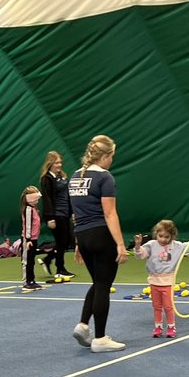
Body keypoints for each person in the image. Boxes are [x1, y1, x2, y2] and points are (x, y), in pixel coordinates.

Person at [69, 135, 128, 352]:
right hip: (101, 235)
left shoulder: (75, 177)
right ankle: (101, 338)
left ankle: (83, 325)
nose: (112, 160)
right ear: (105, 156)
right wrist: (120, 244)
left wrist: (77, 242)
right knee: (103, 285)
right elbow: (109, 213)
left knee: (98, 283)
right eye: (112, 156)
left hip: (83, 236)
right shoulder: (105, 178)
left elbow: (76, 214)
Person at [135, 220, 189, 339]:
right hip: (154, 281)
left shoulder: (176, 246)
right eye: (160, 236)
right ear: (156, 234)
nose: (163, 239)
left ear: (172, 236)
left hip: (168, 282)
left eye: (166, 237)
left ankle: (171, 327)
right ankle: (158, 327)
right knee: (156, 306)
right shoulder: (151, 245)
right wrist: (137, 245)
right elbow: (140, 254)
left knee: (168, 306)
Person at [38, 151, 74, 281]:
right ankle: (60, 269)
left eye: (60, 162)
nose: (59, 165)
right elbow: (47, 199)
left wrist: (72, 211)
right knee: (61, 242)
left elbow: (68, 196)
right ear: (50, 163)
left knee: (67, 240)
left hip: (65, 214)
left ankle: (48, 260)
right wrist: (49, 217)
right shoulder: (46, 179)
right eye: (57, 162)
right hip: (56, 215)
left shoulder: (62, 177)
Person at [19, 186, 44, 292]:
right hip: (28, 239)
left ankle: (31, 280)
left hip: (33, 238)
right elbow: (28, 225)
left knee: (31, 261)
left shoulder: (33, 209)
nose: (37, 201)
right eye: (36, 199)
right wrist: (28, 240)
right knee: (27, 261)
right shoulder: (28, 209)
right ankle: (26, 282)